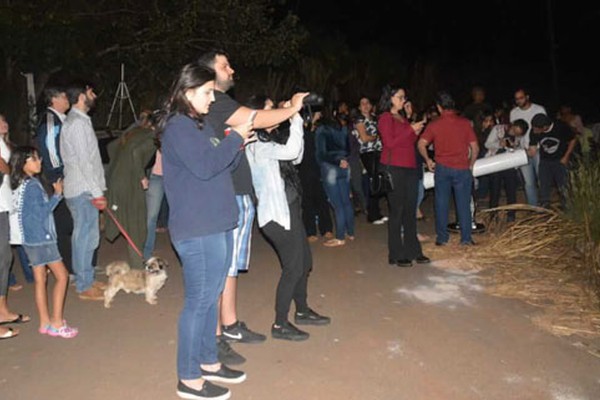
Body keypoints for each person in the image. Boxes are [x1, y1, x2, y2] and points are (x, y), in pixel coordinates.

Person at [197, 49, 308, 364]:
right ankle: (215, 336)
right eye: (224, 65)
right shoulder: (215, 101)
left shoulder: (218, 104)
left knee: (231, 267)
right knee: (220, 269)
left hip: (239, 194)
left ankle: (229, 324)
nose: (232, 70)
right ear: (206, 73)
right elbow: (256, 118)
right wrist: (293, 109)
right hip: (226, 195)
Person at [161, 63, 252, 400]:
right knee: (198, 302)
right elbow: (204, 167)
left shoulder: (200, 125)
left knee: (209, 298)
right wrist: (236, 138)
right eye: (206, 92)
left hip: (216, 222)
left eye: (213, 92)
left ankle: (209, 362)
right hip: (197, 229)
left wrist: (237, 143)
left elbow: (221, 164)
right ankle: (188, 378)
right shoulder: (178, 127)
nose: (212, 99)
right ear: (187, 91)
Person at [246, 95, 330, 341]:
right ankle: (280, 323)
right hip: (276, 216)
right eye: (270, 109)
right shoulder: (256, 144)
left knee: (304, 263)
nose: (275, 113)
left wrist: (295, 121)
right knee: (293, 268)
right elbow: (292, 150)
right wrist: (293, 115)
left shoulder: (268, 139)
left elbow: (296, 157)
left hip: (289, 211)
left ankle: (302, 311)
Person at [9, 146, 77, 338]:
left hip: (28, 239)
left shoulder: (19, 184)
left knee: (40, 280)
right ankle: (56, 322)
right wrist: (57, 194)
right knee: (62, 276)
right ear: (24, 163)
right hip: (41, 238)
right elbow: (41, 213)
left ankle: (45, 322)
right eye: (35, 159)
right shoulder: (31, 185)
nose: (40, 162)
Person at [60, 81, 107, 301]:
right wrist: (97, 192)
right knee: (84, 237)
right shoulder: (77, 124)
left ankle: (86, 278)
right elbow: (84, 162)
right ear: (81, 96)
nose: (94, 95)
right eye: (91, 91)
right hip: (82, 190)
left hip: (85, 188)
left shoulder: (80, 121)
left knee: (90, 237)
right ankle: (83, 285)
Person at [377, 85, 430, 267]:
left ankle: (413, 250)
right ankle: (396, 253)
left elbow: (409, 142)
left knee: (410, 210)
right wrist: (410, 129)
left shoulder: (402, 118)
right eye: (400, 97)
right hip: (394, 168)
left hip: (409, 167)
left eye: (404, 97)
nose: (403, 100)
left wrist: (413, 128)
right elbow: (389, 143)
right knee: (397, 211)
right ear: (390, 98)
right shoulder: (385, 118)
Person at [418, 91, 479, 246]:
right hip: (461, 168)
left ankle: (442, 238)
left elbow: (421, 144)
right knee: (463, 204)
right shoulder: (464, 123)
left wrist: (428, 160)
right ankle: (466, 239)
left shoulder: (434, 124)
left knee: (441, 203)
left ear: (439, 107)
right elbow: (475, 147)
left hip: (442, 169)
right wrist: (470, 164)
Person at [104, 110, 157, 266]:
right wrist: (141, 176)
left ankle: (135, 264)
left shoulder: (133, 132)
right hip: (130, 184)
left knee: (124, 219)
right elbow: (136, 153)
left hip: (114, 181)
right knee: (136, 225)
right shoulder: (152, 136)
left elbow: (111, 146)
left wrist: (120, 165)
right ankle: (137, 269)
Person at [36, 85, 74, 276]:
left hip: (63, 177)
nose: (68, 99)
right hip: (56, 180)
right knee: (62, 223)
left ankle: (72, 265)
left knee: (68, 223)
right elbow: (50, 152)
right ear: (54, 99)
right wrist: (58, 177)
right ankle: (66, 267)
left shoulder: (62, 119)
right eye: (64, 97)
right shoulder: (51, 121)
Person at [0, 114, 31, 332]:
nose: (4, 123)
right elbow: (8, 168)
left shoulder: (5, 143)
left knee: (4, 258)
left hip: (5, 203)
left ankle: (2, 309)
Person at [315, 107, 355, 247]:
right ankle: (350, 233)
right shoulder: (342, 128)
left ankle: (339, 237)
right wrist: (342, 160)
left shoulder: (322, 130)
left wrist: (336, 161)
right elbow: (349, 150)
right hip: (344, 167)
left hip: (330, 168)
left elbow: (321, 154)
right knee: (346, 202)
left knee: (337, 205)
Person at [296, 110, 334, 242]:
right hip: (304, 170)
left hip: (319, 169)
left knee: (322, 199)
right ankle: (310, 231)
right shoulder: (299, 132)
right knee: (307, 201)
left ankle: (327, 229)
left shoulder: (320, 131)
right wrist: (309, 124)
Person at [529, 113, 577, 209]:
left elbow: (573, 140)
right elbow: (532, 150)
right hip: (545, 160)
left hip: (560, 159)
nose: (534, 131)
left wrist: (566, 156)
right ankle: (545, 207)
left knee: (563, 185)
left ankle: (568, 207)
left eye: (536, 129)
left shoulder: (561, 127)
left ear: (545, 127)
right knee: (544, 184)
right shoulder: (534, 131)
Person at [484, 119, 529, 222]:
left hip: (510, 165)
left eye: (518, 133)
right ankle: (493, 215)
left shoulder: (521, 137)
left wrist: (515, 148)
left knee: (511, 190)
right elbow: (487, 144)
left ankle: (511, 215)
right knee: (495, 190)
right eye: (514, 131)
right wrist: (500, 144)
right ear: (512, 125)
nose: (515, 134)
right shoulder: (498, 129)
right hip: (495, 163)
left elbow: (522, 150)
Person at [352, 96, 387, 225]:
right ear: (359, 107)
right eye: (363, 103)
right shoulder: (359, 119)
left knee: (377, 180)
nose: (366, 105)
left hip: (377, 151)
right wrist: (377, 136)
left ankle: (377, 212)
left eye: (368, 103)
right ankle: (372, 215)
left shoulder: (374, 118)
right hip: (367, 152)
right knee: (374, 181)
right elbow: (364, 138)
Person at [509, 88, 546, 206]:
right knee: (528, 183)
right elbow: (514, 132)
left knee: (542, 179)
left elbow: (544, 128)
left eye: (521, 98)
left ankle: (545, 204)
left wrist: (534, 146)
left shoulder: (538, 109)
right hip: (522, 151)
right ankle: (533, 208)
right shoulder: (513, 113)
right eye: (516, 99)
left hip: (538, 149)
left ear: (527, 97)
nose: (519, 101)